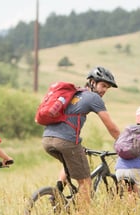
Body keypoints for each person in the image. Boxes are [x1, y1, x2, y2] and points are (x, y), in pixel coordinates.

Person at [42, 66, 121, 206]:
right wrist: (124, 144)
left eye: (107, 88)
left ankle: (57, 192)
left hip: (47, 139)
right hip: (66, 142)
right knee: (85, 182)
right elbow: (111, 127)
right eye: (103, 85)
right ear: (91, 82)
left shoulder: (73, 93)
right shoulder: (93, 98)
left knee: (71, 159)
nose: (104, 90)